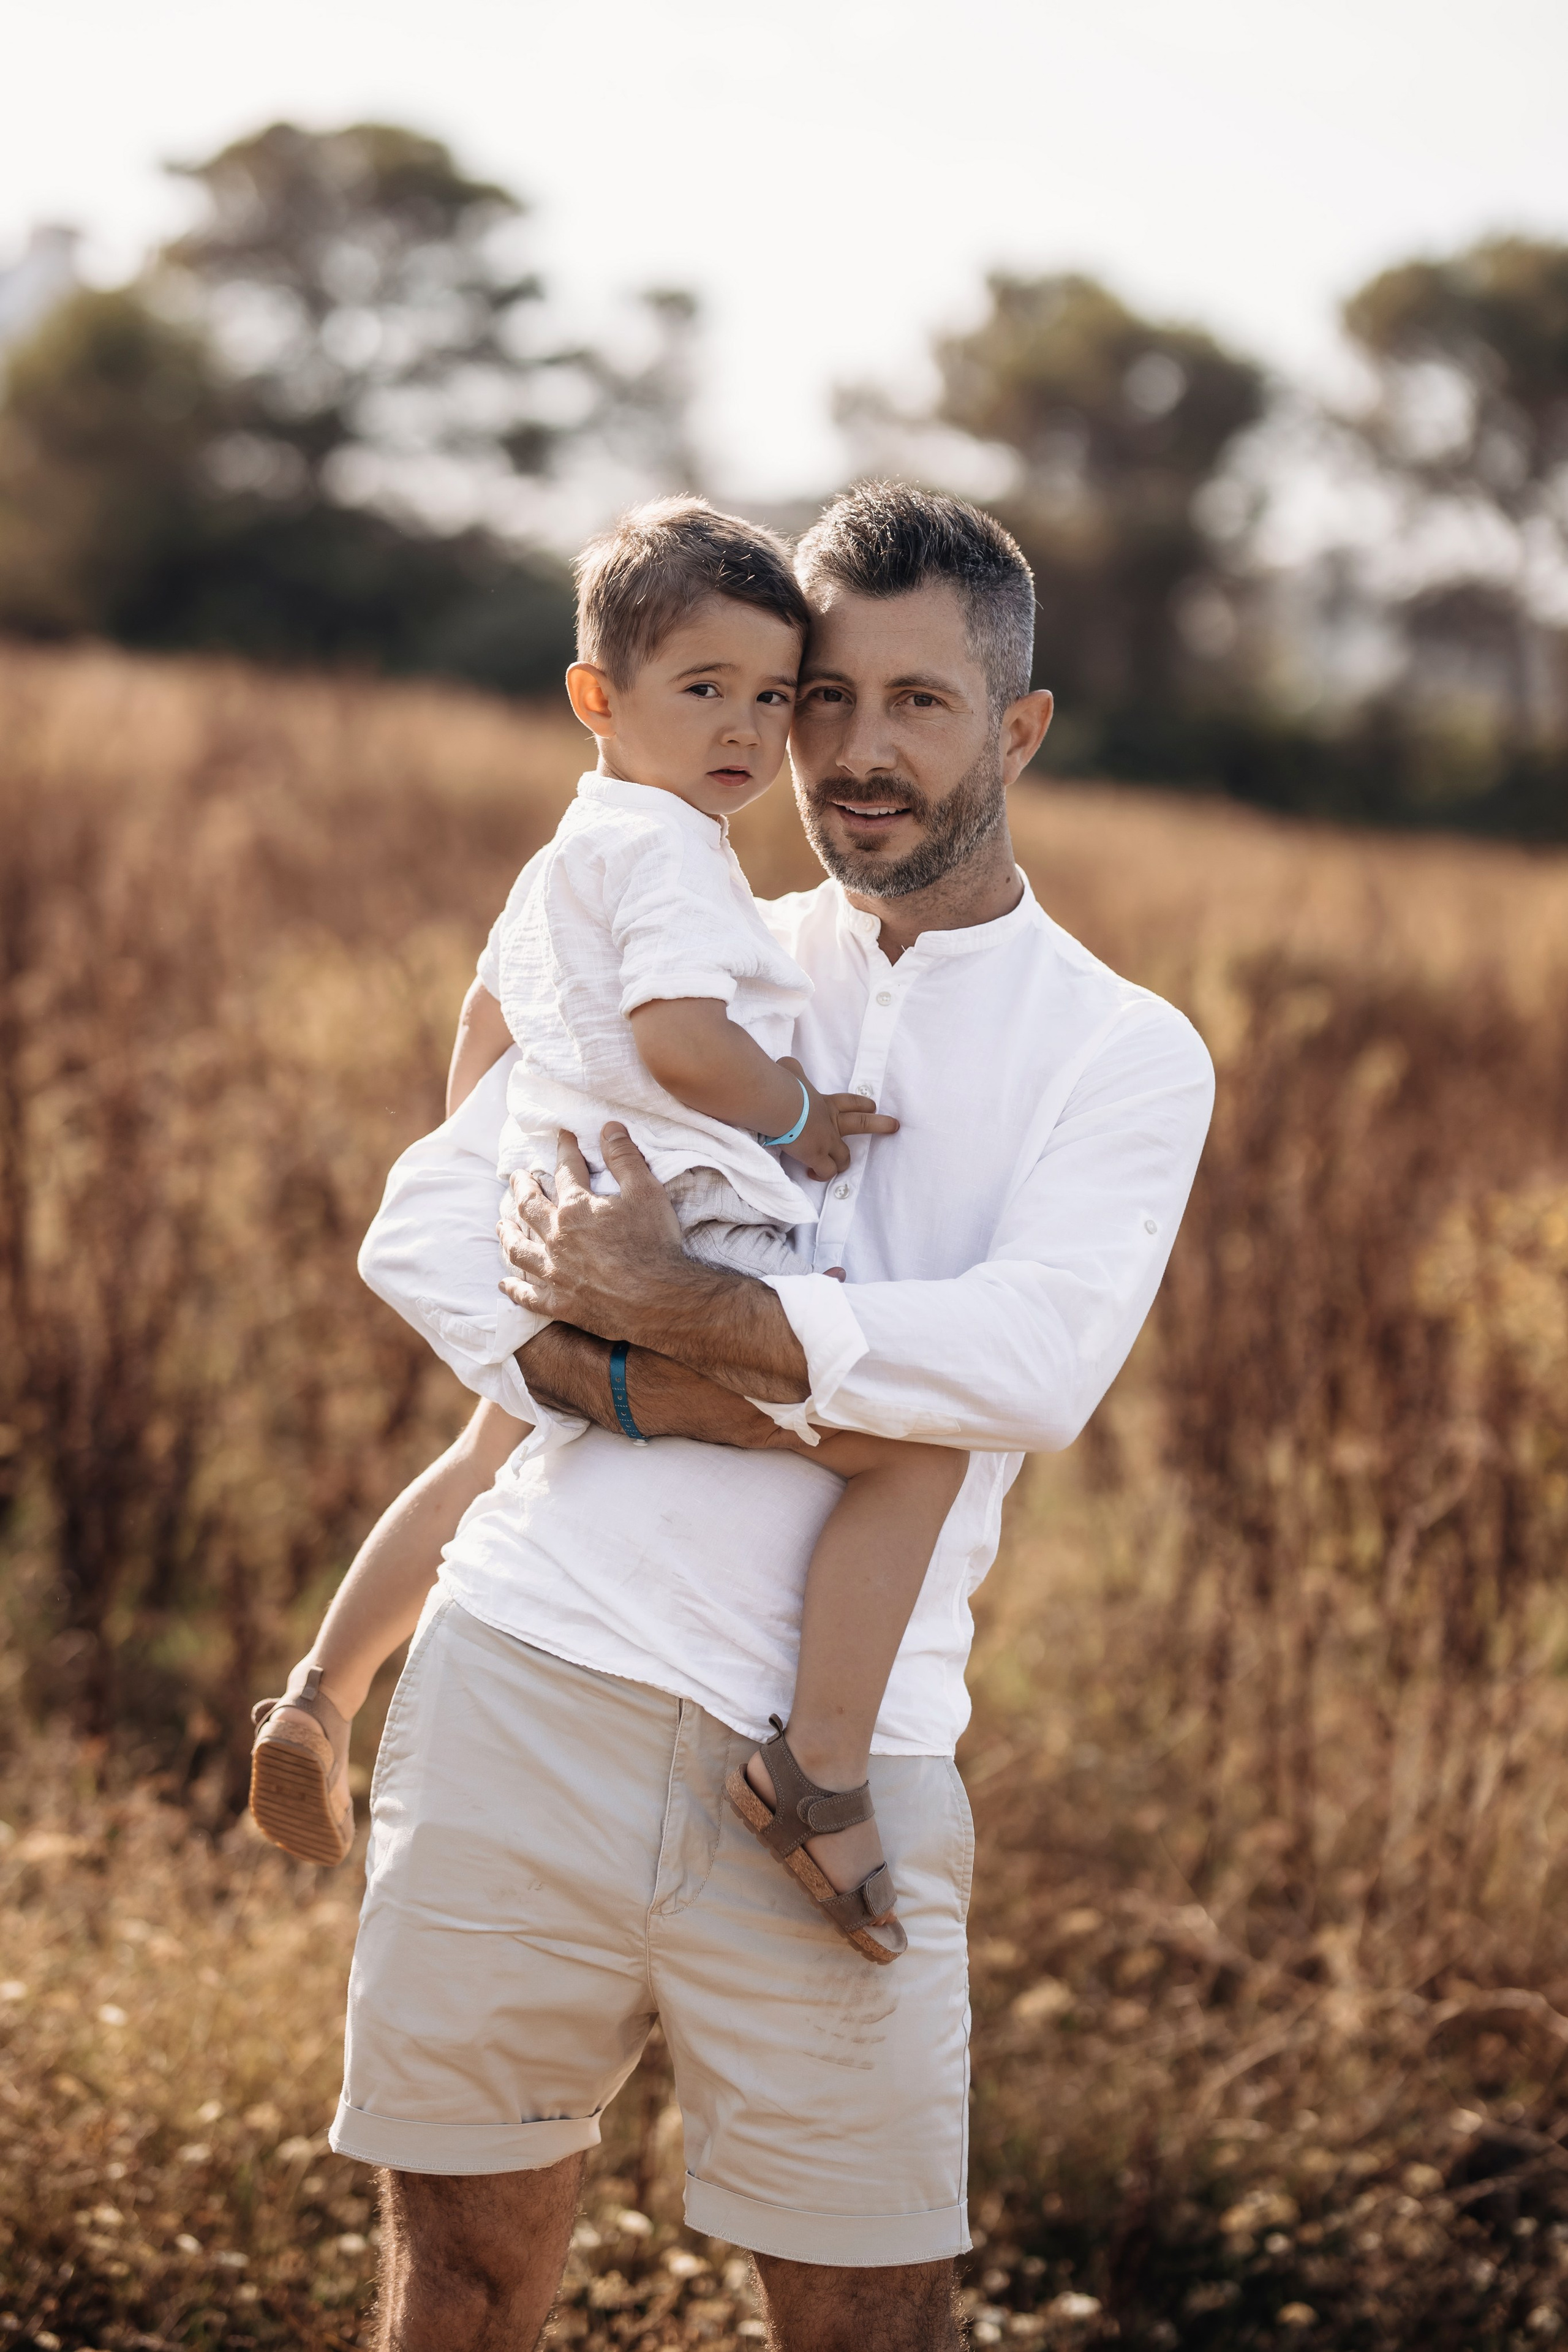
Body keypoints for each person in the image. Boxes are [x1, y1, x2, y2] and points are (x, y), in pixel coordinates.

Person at [330, 483, 1214, 2352]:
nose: (857, 753)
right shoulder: (679, 937)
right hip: (529, 1677)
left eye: (922, 704)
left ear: (1021, 730)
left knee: (871, 2315)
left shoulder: (1121, 1048)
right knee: (462, 2281)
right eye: (824, 700)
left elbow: (1034, 1365)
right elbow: (430, 1222)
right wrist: (620, 1369)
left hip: (842, 1765)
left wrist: (697, 1304)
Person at [249, 499, 970, 1960]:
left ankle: (322, 1691)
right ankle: (820, 1768)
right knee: (910, 1449)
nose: (746, 733)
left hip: (570, 1205)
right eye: (703, 689)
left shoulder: (569, 848)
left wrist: (510, 1160)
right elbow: (687, 1042)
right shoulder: (674, 860)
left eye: (774, 698)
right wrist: (799, 1120)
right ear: (597, 698)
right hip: (690, 1226)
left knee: (477, 1453)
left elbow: (484, 1021)